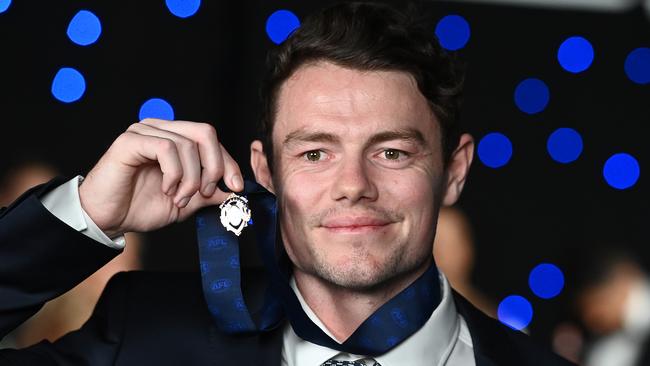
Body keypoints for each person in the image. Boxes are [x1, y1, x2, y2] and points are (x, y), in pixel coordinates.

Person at [0, 2, 572, 365]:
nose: (353, 185)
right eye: (316, 152)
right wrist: (85, 216)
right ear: (266, 172)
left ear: (454, 170)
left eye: (392, 151)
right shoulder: (142, 335)